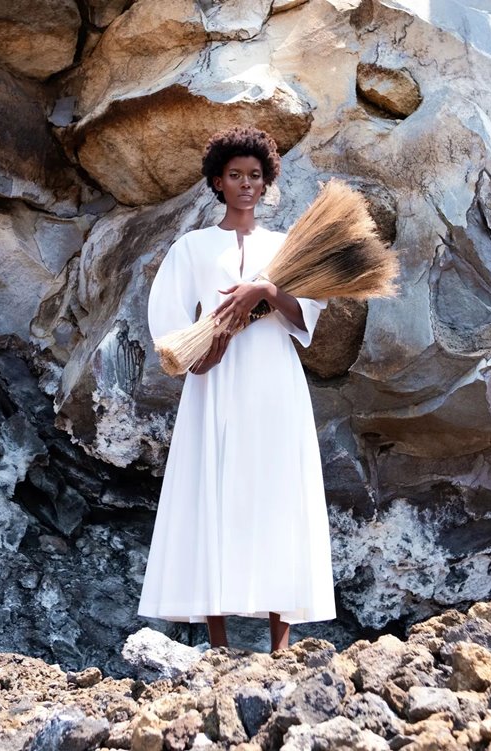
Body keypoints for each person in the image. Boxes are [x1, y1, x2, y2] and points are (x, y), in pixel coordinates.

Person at [138, 126, 336, 652]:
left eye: (254, 175)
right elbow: (169, 324)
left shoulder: (287, 247)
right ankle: (219, 646)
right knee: (213, 493)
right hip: (215, 384)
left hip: (274, 382)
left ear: (266, 183)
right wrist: (203, 358)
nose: (245, 184)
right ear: (217, 182)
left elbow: (307, 315)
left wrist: (267, 289)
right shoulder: (193, 247)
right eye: (234, 175)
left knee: (278, 494)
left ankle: (281, 645)